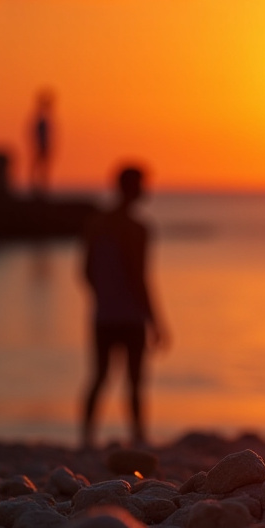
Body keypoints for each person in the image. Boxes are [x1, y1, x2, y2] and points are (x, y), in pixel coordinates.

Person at [80, 164, 169, 449]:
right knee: (134, 380)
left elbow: (85, 272)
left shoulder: (96, 223)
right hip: (130, 317)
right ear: (131, 187)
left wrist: (104, 297)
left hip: (103, 315)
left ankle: (87, 438)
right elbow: (139, 277)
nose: (145, 189)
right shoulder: (138, 229)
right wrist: (156, 321)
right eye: (141, 184)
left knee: (99, 376)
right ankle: (138, 435)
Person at [30, 90, 55, 197]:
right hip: (42, 147)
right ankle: (38, 188)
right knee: (41, 167)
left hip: (43, 146)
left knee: (42, 167)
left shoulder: (42, 120)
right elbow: (37, 135)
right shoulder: (41, 121)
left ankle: (41, 188)